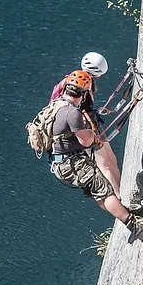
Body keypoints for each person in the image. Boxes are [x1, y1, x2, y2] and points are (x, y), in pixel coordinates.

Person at [50, 70, 143, 241]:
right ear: (83, 94)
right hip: (71, 163)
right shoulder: (72, 113)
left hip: (63, 162)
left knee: (98, 191)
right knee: (103, 191)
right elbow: (85, 141)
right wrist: (92, 132)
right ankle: (135, 225)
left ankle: (127, 212)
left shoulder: (57, 104)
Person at [50, 52, 122, 196]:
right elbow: (75, 110)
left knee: (110, 160)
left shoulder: (74, 79)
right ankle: (119, 196)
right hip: (85, 128)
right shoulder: (81, 84)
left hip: (87, 124)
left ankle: (121, 192)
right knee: (106, 164)